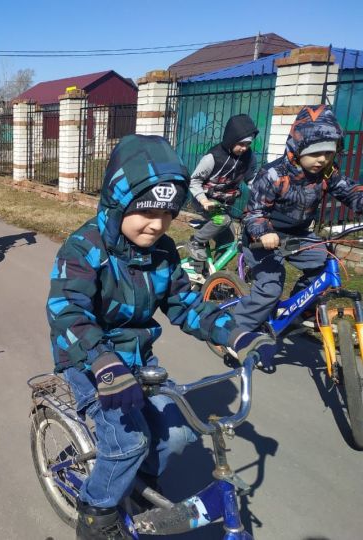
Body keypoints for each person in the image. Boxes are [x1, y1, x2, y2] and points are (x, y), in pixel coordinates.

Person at [46, 135, 276, 539]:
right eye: (146, 211)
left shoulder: (164, 252)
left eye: (169, 213)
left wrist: (233, 332)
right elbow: (68, 311)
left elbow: (185, 304)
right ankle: (95, 513)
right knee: (127, 442)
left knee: (179, 433)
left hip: (137, 360)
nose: (157, 223)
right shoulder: (83, 249)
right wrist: (101, 360)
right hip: (90, 361)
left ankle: (137, 486)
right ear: (119, 204)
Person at [233, 104, 363, 331]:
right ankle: (235, 330)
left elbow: (349, 191)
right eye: (315, 153)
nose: (322, 159)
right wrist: (264, 233)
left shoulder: (327, 173)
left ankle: (297, 308)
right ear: (297, 148)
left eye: (328, 152)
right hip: (263, 238)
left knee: (325, 265)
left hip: (299, 235)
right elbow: (254, 213)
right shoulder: (273, 174)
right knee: (270, 289)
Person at [185, 114, 259, 261]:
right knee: (222, 220)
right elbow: (194, 181)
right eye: (241, 143)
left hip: (224, 203)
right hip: (204, 201)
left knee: (228, 243)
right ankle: (195, 242)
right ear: (231, 139)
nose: (244, 148)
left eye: (248, 144)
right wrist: (204, 201)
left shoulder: (249, 158)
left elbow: (252, 180)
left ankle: (216, 277)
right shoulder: (213, 157)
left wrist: (263, 195)